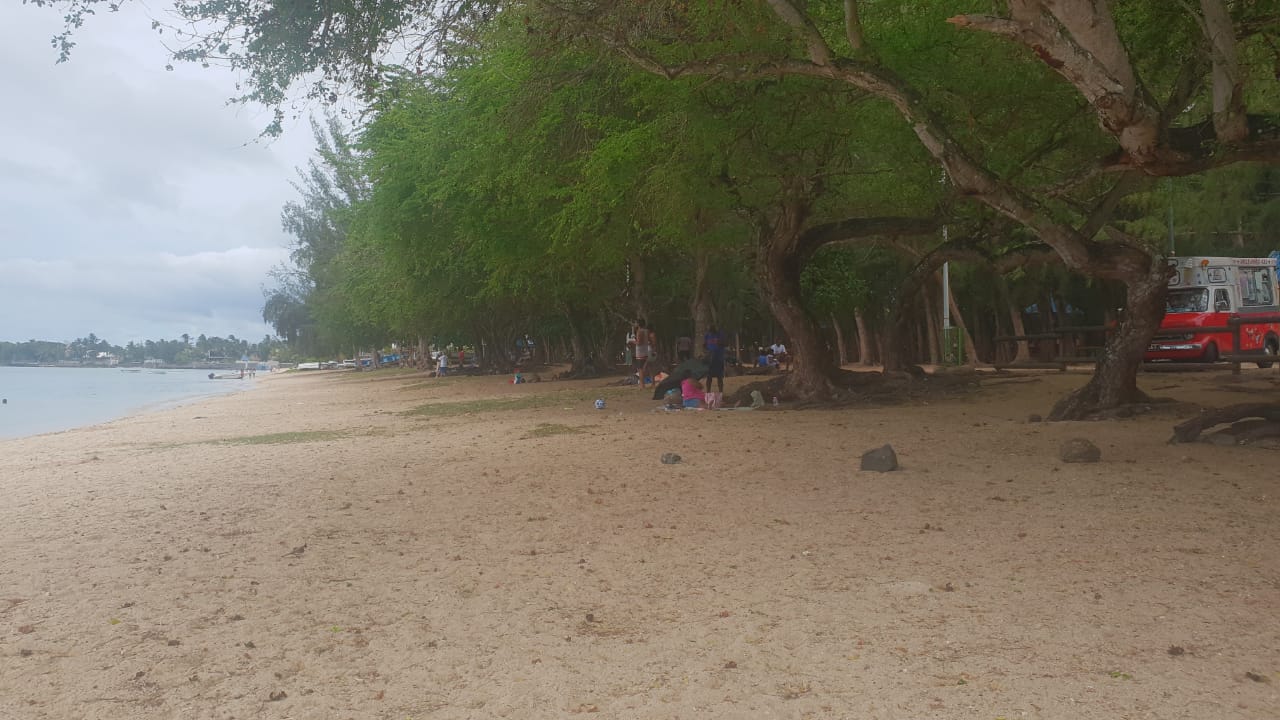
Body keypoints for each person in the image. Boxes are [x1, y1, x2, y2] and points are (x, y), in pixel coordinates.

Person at [703, 324, 726, 395]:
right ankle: (708, 392)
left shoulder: (720, 334)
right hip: (710, 359)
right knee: (709, 377)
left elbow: (724, 343)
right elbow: (704, 345)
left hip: (719, 358)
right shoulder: (707, 335)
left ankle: (721, 392)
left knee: (719, 377)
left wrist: (719, 343)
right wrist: (707, 352)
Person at [632, 318, 653, 388]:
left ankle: (642, 384)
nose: (635, 324)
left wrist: (632, 341)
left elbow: (638, 343)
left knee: (640, 368)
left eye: (636, 323)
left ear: (638, 324)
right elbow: (649, 340)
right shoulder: (647, 331)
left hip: (640, 351)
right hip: (646, 349)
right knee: (647, 367)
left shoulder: (639, 331)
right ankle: (651, 382)